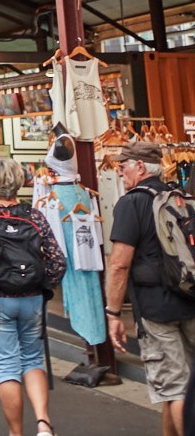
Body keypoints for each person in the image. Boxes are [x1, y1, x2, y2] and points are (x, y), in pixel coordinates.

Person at [0, 158, 65, 436]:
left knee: (8, 366)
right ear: (19, 183)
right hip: (33, 297)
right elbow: (57, 260)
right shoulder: (34, 216)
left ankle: (16, 433)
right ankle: (44, 424)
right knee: (33, 360)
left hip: (0, 299)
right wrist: (45, 286)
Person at [106, 140, 195, 436]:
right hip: (190, 297)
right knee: (184, 386)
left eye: (123, 166)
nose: (120, 173)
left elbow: (119, 265)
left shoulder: (131, 203)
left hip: (156, 309)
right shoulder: (180, 198)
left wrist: (114, 313)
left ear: (140, 167)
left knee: (176, 390)